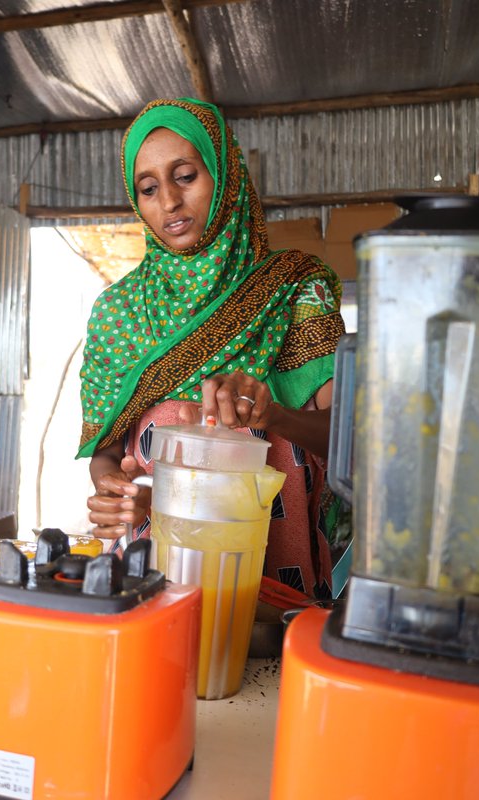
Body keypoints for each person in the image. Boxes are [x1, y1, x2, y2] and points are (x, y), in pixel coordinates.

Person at [77, 98, 347, 599]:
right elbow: (108, 452)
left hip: (279, 564)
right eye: (149, 188)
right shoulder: (119, 312)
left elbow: (346, 440)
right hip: (153, 562)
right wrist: (114, 488)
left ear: (224, 174)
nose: (169, 203)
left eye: (185, 176)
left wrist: (275, 416)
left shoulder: (294, 287)